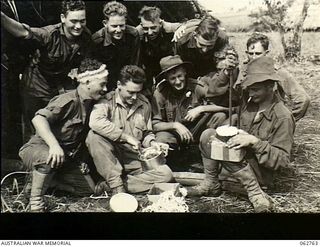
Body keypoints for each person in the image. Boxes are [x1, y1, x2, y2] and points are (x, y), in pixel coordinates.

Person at [187, 56, 295, 213]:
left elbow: (282, 161)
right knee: (208, 135)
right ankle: (211, 183)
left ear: (270, 86)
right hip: (239, 162)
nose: (250, 92)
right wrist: (226, 71)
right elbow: (214, 94)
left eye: (256, 89)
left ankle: (255, 193)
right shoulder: (249, 102)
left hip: (260, 172)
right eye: (249, 88)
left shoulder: (283, 117)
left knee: (231, 150)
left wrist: (254, 142)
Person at [18, 58, 109, 212]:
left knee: (87, 190)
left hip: (65, 156)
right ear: (87, 82)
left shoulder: (91, 104)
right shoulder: (68, 100)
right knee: (47, 158)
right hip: (40, 148)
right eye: (102, 84)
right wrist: (54, 146)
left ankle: (46, 181)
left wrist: (81, 160)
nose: (105, 89)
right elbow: (38, 119)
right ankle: (35, 203)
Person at [1, 0, 93, 140]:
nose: (78, 26)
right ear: (63, 18)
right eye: (73, 21)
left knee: (53, 124)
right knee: (33, 127)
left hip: (57, 86)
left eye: (82, 21)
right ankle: (29, 158)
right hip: (35, 86)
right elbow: (23, 31)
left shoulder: (86, 36)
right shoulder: (50, 34)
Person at [86, 65, 173, 195]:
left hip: (134, 159)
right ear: (119, 85)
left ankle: (111, 186)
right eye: (130, 92)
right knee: (93, 136)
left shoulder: (144, 104)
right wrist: (126, 137)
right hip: (111, 158)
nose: (134, 97)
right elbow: (95, 122)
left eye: (138, 92)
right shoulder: (106, 101)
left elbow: (146, 133)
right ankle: (117, 187)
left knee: (166, 175)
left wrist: (153, 144)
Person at [152, 55, 230, 149]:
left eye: (179, 76)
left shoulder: (197, 87)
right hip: (175, 134)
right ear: (166, 78)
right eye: (172, 78)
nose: (177, 81)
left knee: (219, 116)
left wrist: (201, 108)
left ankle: (206, 150)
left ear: (185, 72)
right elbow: (155, 125)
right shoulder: (160, 93)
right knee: (162, 138)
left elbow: (227, 106)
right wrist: (176, 125)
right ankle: (174, 160)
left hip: (197, 131)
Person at [236, 32, 310, 121]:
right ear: (246, 53)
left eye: (258, 53)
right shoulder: (242, 70)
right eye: (251, 54)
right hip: (246, 120)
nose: (254, 57)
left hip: (269, 120)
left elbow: (303, 99)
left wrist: (288, 120)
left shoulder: (277, 72)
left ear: (266, 53)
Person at [91, 1, 140, 91]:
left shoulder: (133, 35)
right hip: (105, 82)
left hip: (126, 80)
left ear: (125, 21)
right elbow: (96, 71)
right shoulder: (97, 40)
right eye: (114, 26)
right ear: (105, 23)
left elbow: (134, 63)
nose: (118, 30)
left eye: (121, 25)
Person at [173, 15, 238, 79]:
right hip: (190, 71)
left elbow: (222, 61)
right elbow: (179, 66)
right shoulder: (182, 41)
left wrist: (225, 62)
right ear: (195, 36)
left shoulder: (222, 38)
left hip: (211, 69)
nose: (205, 50)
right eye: (201, 45)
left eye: (210, 46)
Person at [136, 6, 177, 93]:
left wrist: (179, 28)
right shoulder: (137, 33)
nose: (150, 32)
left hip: (167, 67)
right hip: (147, 69)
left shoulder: (168, 30)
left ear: (161, 23)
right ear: (141, 25)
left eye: (153, 27)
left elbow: (190, 24)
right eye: (146, 28)